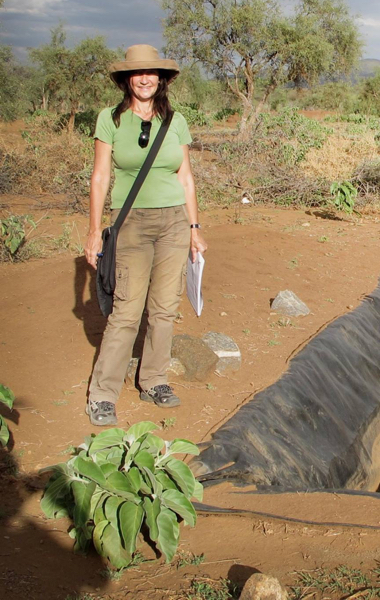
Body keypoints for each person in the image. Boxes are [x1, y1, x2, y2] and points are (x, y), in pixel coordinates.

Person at [83, 45, 207, 426]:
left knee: (165, 309)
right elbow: (101, 176)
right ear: (126, 79)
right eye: (137, 73)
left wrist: (194, 228)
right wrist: (93, 231)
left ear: (162, 78)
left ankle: (153, 379)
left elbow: (185, 177)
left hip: (173, 222)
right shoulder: (111, 119)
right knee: (127, 310)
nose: (144, 78)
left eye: (151, 72)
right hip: (131, 223)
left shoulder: (176, 120)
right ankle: (102, 394)